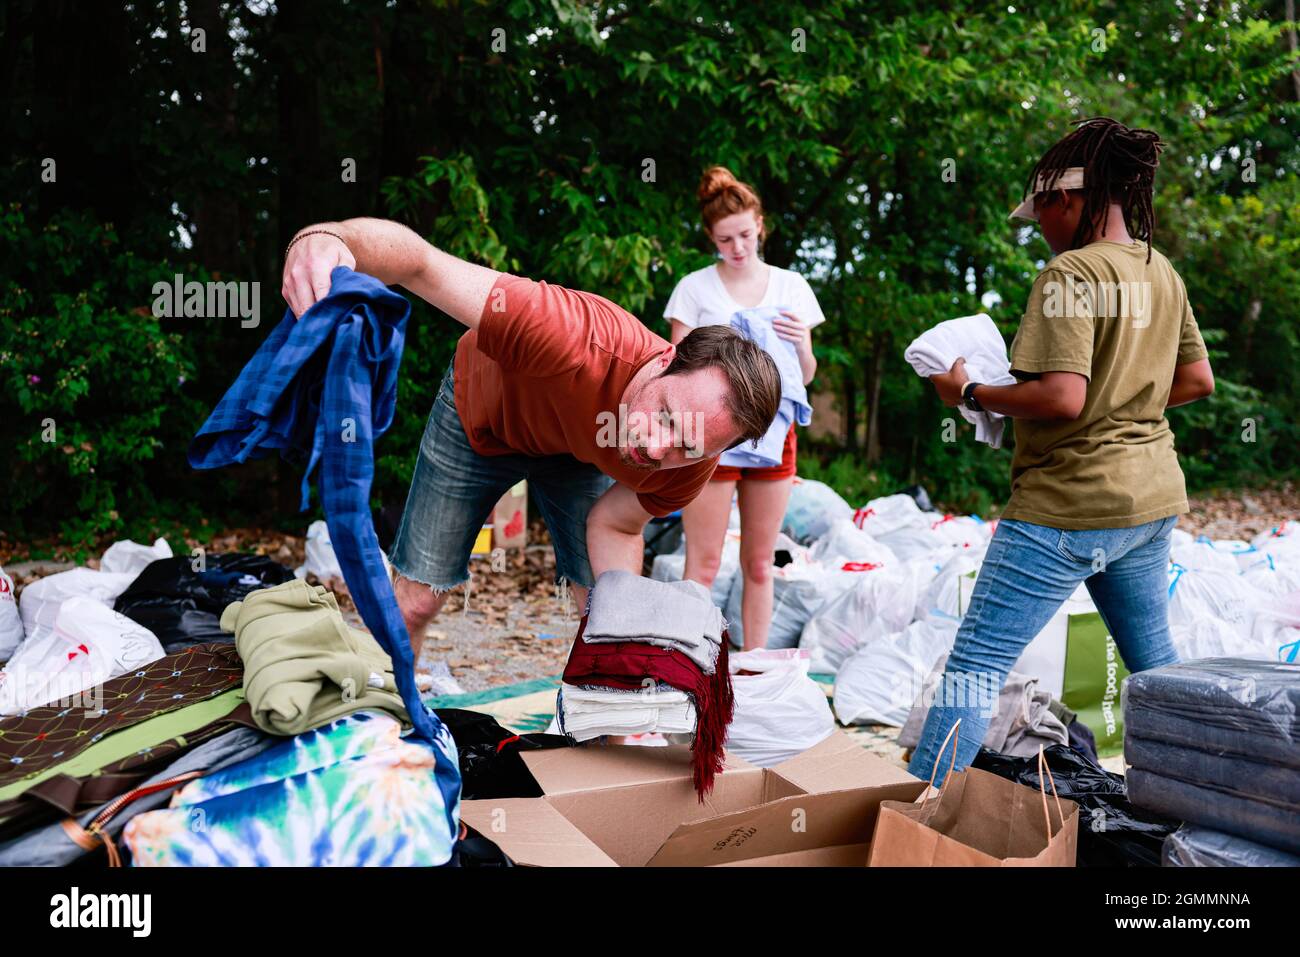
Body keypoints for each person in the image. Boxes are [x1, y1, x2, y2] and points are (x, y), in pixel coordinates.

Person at [280, 217, 782, 656]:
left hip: (577, 449)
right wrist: (328, 237)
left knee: (606, 618)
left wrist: (625, 643)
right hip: (481, 419)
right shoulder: (569, 333)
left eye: (687, 445)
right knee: (416, 602)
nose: (656, 447)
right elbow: (419, 264)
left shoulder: (691, 459)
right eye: (666, 416)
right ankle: (389, 721)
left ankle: (609, 732)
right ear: (668, 359)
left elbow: (620, 526)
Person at [910, 117, 1216, 777]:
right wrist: (1123, 401)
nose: (1039, 228)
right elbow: (1196, 379)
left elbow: (1062, 397)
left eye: (1040, 212)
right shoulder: (1156, 270)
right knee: (1156, 666)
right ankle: (1201, 802)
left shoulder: (1070, 273)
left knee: (973, 669)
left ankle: (915, 831)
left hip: (1066, 505)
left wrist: (969, 392)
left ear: (1069, 200)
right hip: (1149, 498)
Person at [664, 166, 825, 650]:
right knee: (705, 562)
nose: (737, 247)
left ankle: (754, 668)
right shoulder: (694, 289)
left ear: (761, 226)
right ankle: (686, 665)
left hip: (774, 434)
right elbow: (676, 370)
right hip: (712, 434)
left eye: (745, 235)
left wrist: (800, 345)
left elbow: (808, 374)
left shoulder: (791, 286)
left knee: (759, 562)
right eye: (725, 239)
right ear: (712, 239)